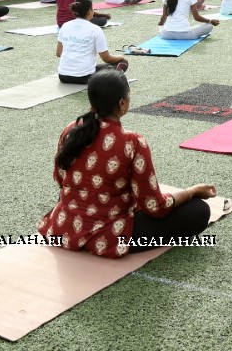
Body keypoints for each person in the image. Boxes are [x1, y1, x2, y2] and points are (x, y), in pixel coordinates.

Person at [38, 69, 215, 257]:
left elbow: (60, 179)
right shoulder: (132, 142)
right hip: (110, 234)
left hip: (63, 227)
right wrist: (191, 192)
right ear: (122, 104)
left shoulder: (71, 129)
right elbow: (155, 206)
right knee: (199, 211)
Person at [56, 0, 129, 83]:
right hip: (85, 77)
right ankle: (112, 79)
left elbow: (58, 53)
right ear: (89, 11)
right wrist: (121, 57)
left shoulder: (65, 26)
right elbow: (106, 58)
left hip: (63, 76)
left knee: (99, 67)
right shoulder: (95, 29)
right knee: (123, 62)